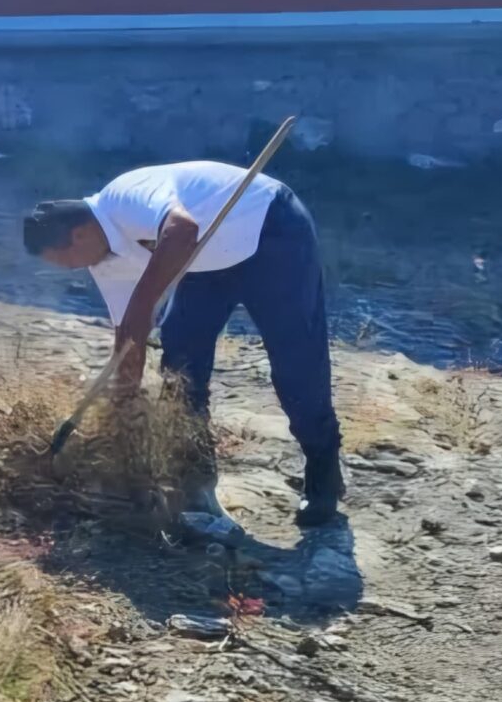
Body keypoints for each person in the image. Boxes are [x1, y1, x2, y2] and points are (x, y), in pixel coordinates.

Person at [22, 159, 345, 531]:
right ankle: (196, 476)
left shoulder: (125, 196)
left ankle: (323, 472)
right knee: (180, 351)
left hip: (269, 229)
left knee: (295, 361)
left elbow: (183, 228)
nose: (70, 269)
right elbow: (127, 339)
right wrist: (123, 408)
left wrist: (143, 304)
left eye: (64, 261)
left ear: (79, 235)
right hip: (206, 260)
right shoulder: (104, 263)